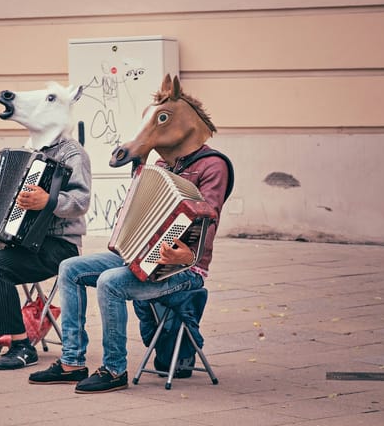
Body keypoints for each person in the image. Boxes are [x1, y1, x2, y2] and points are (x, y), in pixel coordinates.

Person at [28, 74, 232, 392]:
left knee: (110, 283)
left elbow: (208, 218)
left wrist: (186, 254)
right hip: (138, 258)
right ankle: (72, 361)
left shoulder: (213, 165)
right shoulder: (161, 168)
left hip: (185, 268)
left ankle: (113, 369)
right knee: (69, 269)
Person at [0, 84, 92, 371]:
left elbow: (81, 202)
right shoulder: (28, 151)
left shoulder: (74, 153)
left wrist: (49, 201)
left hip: (58, 246)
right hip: (19, 242)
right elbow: (10, 195)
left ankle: (21, 345)